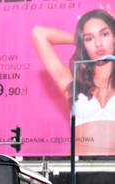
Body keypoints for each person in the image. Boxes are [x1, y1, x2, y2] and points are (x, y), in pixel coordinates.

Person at [32, 8, 115, 155]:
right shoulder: (73, 84)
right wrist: (79, 39)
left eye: (104, 34)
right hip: (78, 171)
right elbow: (38, 33)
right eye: (89, 38)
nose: (98, 43)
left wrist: (86, 39)